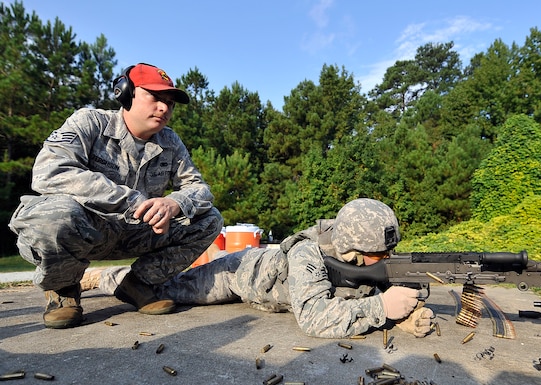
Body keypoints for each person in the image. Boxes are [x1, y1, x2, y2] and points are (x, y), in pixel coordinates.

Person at [9, 63, 224, 329]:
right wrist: (133, 201)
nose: (164, 108)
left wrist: (174, 203)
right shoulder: (89, 122)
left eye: (170, 103)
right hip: (86, 230)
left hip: (134, 233)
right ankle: (63, 289)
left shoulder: (169, 141)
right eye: (155, 97)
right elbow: (50, 172)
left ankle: (138, 283)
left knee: (209, 218)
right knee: (53, 216)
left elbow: (200, 189)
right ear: (125, 93)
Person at [87, 198, 435, 338]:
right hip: (240, 274)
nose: (386, 260)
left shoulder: (356, 259)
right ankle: (102, 277)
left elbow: (361, 291)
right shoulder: (307, 253)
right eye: (379, 254)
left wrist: (400, 316)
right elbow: (314, 320)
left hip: (272, 291)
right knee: (167, 290)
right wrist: (381, 308)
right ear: (353, 249)